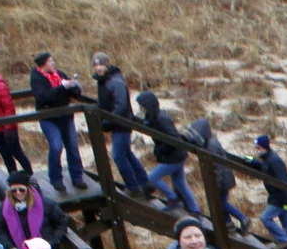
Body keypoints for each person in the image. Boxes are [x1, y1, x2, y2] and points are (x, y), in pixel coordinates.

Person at [88, 55, 152, 199]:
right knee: (126, 153)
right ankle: (145, 182)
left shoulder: (115, 82)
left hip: (122, 123)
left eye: (101, 65)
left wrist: (107, 122)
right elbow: (104, 103)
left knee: (118, 155)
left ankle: (133, 187)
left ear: (107, 66)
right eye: (96, 65)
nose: (98, 68)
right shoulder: (103, 81)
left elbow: (121, 106)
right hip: (116, 123)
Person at [28, 54, 89, 190]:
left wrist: (73, 86)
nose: (53, 63)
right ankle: (56, 179)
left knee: (72, 147)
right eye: (50, 61)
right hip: (49, 118)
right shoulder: (37, 78)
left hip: (66, 116)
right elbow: (43, 97)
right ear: (42, 64)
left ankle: (77, 177)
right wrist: (62, 87)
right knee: (56, 146)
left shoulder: (59, 74)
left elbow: (72, 93)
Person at [137, 87, 200, 215]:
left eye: (142, 106)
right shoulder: (154, 116)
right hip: (176, 155)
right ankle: (195, 210)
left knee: (153, 178)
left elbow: (173, 138)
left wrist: (160, 149)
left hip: (174, 156)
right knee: (179, 183)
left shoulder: (162, 118)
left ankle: (173, 199)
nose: (140, 108)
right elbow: (148, 123)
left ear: (148, 106)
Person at [251, 134, 287, 249]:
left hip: (280, 197)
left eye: (258, 148)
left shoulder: (274, 160)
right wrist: (252, 161)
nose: (257, 150)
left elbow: (283, 181)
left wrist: (286, 200)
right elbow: (265, 167)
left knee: (266, 218)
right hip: (280, 196)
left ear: (264, 147)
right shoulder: (268, 159)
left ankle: (283, 240)